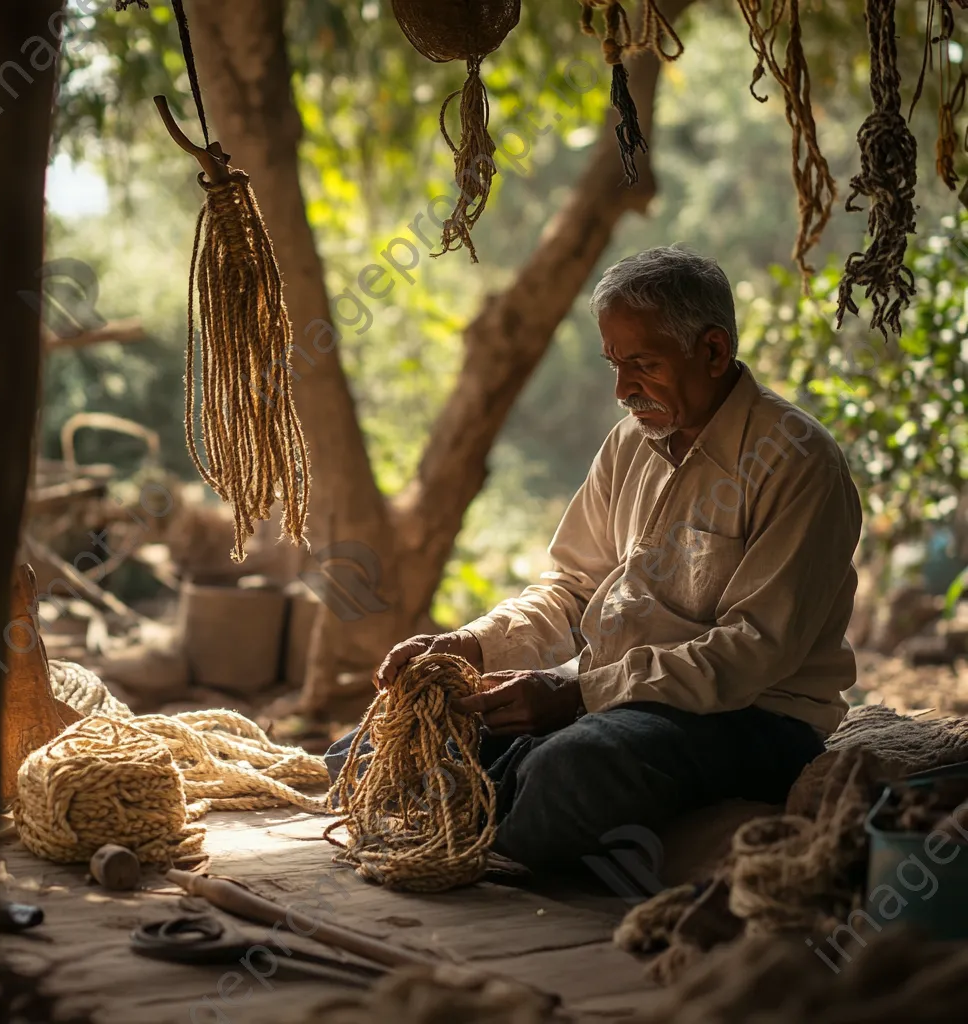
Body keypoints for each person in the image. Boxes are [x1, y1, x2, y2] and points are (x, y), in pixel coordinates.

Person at [325, 245, 862, 871]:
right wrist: (471, 646)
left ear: (713, 352)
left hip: (754, 716)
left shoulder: (798, 461)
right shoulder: (634, 439)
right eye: (613, 363)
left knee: (571, 771)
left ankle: (494, 808)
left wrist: (577, 696)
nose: (622, 389)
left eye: (642, 364)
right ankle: (502, 811)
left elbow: (749, 654)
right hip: (612, 699)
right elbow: (573, 586)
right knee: (361, 755)